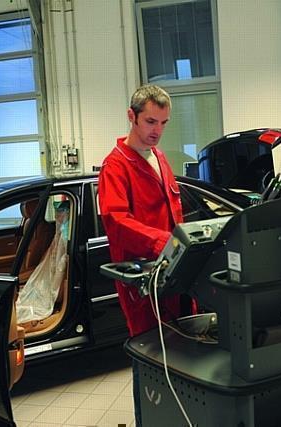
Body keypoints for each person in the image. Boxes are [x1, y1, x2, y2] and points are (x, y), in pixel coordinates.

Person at [98, 84, 183, 426]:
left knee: (174, 352)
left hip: (170, 270)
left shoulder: (159, 158)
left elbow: (174, 212)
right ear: (131, 117)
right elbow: (118, 223)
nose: (157, 131)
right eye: (150, 122)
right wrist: (165, 241)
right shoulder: (115, 166)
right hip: (141, 280)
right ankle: (146, 419)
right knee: (148, 353)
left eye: (163, 123)